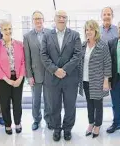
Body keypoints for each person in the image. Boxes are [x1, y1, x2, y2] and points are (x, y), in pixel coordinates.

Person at [40, 10, 82, 141]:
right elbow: (43, 54)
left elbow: (77, 55)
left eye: (64, 17)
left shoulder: (75, 35)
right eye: (59, 16)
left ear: (67, 19)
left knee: (70, 105)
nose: (62, 19)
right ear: (54, 19)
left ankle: (67, 128)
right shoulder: (47, 35)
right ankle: (56, 129)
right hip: (52, 78)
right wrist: (55, 70)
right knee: (54, 105)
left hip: (70, 78)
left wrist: (64, 70)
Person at [0, 21, 25, 135]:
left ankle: (18, 123)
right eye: (5, 29)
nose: (8, 31)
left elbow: (23, 62)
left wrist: (20, 78)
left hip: (18, 77)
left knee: (17, 102)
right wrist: (7, 80)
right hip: (3, 80)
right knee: (4, 103)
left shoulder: (20, 44)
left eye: (10, 28)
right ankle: (7, 124)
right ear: (1, 31)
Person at [80, 20, 111, 138]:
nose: (88, 32)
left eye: (91, 29)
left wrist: (106, 81)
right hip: (85, 80)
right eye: (87, 30)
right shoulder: (83, 45)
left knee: (98, 104)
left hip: (98, 81)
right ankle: (91, 123)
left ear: (96, 31)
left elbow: (107, 64)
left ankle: (98, 125)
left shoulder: (102, 45)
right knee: (89, 104)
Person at [23, 10, 52, 131]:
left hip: (49, 73)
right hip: (35, 74)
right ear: (32, 21)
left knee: (48, 99)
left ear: (43, 20)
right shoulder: (27, 36)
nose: (38, 21)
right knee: (36, 100)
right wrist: (29, 76)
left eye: (40, 18)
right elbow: (27, 58)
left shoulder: (51, 33)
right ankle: (36, 120)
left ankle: (49, 120)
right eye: (35, 19)